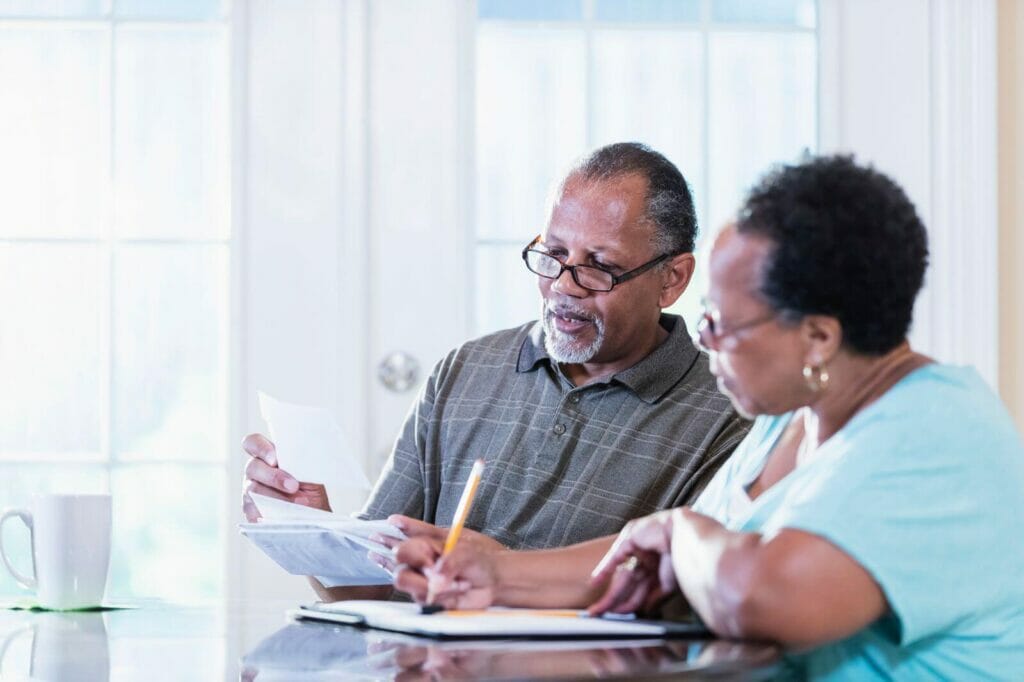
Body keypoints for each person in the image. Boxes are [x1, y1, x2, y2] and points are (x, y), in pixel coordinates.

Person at [393, 155, 1024, 679]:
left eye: (722, 322)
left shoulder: (943, 436)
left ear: (819, 339)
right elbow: (655, 571)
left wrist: (681, 529)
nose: (705, 340)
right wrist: (496, 574)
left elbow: (760, 595)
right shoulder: (790, 422)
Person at [242, 142, 750, 602]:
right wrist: (313, 524)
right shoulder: (465, 371)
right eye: (552, 255)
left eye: (599, 266)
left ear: (673, 278)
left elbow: (691, 605)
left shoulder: (728, 413)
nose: (564, 287)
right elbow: (371, 588)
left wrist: (501, 573)